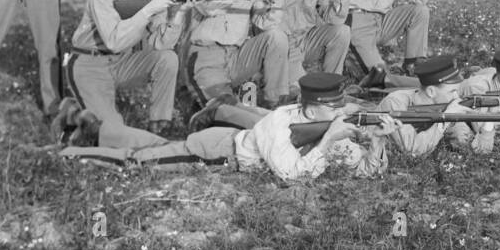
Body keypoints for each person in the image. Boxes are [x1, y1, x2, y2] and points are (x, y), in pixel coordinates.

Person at [76, 73, 398, 183]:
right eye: (333, 107)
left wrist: (377, 143)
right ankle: (67, 156)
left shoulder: (328, 125)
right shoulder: (280, 121)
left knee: (159, 146)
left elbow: (363, 171)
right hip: (215, 153)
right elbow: (291, 176)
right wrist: (327, 142)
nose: (340, 112)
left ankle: (97, 130)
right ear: (313, 109)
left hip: (224, 146)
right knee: (139, 162)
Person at [63, 0, 195, 142]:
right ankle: (73, 114)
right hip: (89, 65)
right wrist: (147, 11)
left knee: (167, 58)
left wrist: (180, 14)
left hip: (122, 61)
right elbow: (113, 42)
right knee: (110, 132)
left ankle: (158, 127)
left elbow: (162, 45)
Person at [185, 0, 293, 110]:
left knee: (276, 37)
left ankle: (277, 104)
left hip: (238, 57)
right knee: (227, 111)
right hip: (208, 58)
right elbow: (208, 7)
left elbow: (265, 23)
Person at [374, 54, 487, 157]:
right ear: (431, 92)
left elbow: (472, 147)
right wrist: (445, 119)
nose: (456, 97)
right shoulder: (395, 103)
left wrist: (486, 124)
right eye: (452, 92)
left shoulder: (443, 108)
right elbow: (412, 150)